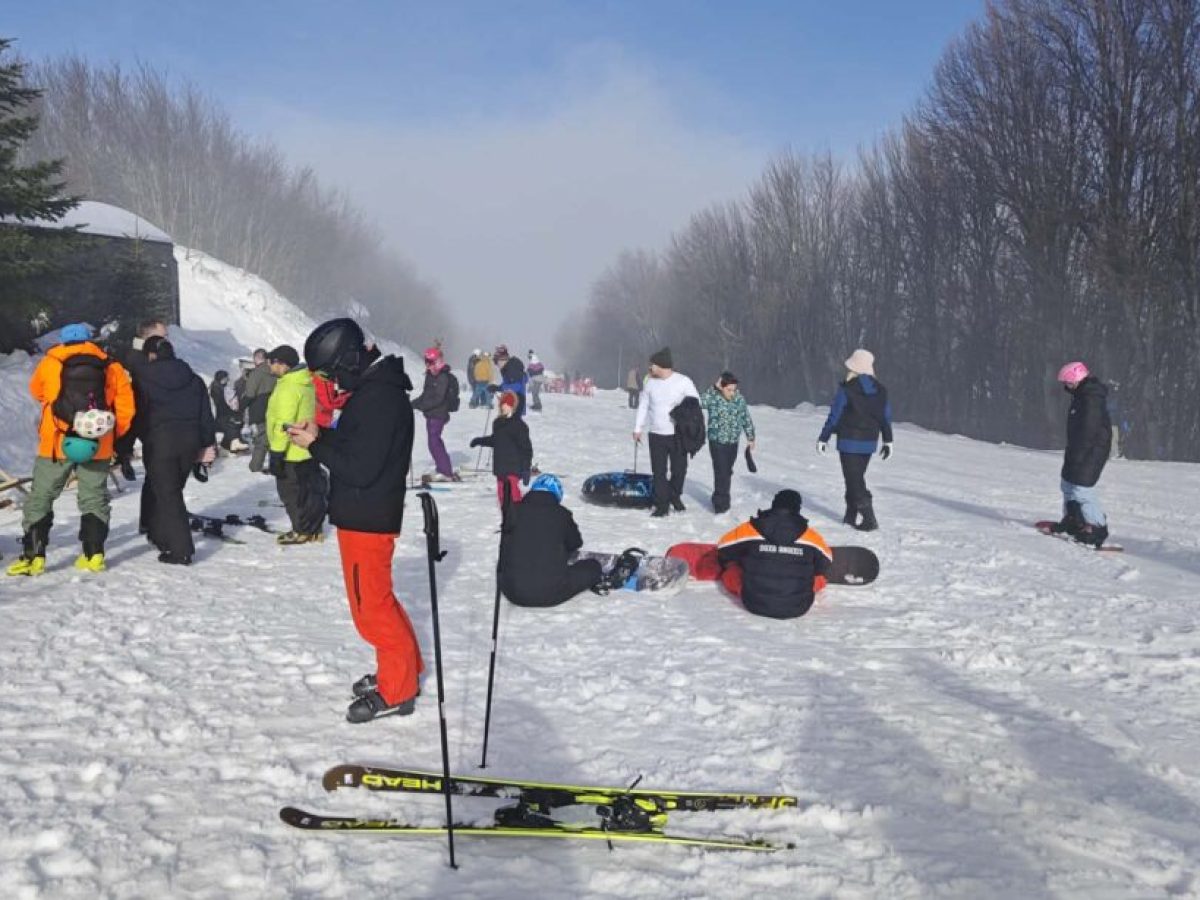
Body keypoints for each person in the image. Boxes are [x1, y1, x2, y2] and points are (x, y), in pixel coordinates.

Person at [286, 318, 422, 724]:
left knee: (372, 611)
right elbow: (356, 449)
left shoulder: (379, 398)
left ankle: (397, 691)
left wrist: (316, 444)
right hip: (365, 512)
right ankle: (402, 672)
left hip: (368, 516)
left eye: (330, 374)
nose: (330, 383)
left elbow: (359, 468)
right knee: (381, 603)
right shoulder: (372, 391)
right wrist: (322, 437)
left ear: (347, 362)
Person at [7, 324, 136, 576]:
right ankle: (94, 554)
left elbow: (37, 392)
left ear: (64, 341)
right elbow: (126, 408)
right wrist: (109, 435)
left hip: (55, 443)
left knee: (41, 496)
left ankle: (34, 557)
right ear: (91, 340)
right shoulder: (112, 366)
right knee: (93, 497)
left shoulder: (51, 362)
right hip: (97, 444)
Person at [132, 337, 217, 565]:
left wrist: (134, 441)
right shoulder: (194, 379)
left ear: (150, 355)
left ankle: (181, 550)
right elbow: (205, 415)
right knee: (169, 490)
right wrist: (207, 444)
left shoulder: (142, 379)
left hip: (160, 441)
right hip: (189, 441)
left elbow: (137, 414)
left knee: (169, 494)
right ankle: (160, 536)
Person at [711, 489, 832, 619]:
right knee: (819, 579)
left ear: (774, 504)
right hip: (798, 607)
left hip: (753, 603)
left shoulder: (752, 528)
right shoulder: (809, 535)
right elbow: (825, 564)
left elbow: (723, 548)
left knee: (731, 571)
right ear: (798, 508)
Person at [499, 474, 605, 606]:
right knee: (593, 567)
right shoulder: (561, 514)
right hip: (549, 592)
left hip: (511, 590)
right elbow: (575, 543)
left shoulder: (513, 511)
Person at [817, 349, 893, 531]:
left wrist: (824, 437)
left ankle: (869, 519)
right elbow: (885, 416)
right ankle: (850, 514)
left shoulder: (847, 389)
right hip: (869, 443)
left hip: (848, 442)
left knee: (854, 481)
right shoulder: (881, 390)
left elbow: (835, 415)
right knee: (855, 479)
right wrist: (888, 440)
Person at [266, 345, 327, 544]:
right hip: (307, 449)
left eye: (272, 362)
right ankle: (314, 528)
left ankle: (301, 530)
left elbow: (285, 424)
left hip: (290, 451)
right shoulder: (304, 382)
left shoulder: (288, 387)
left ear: (282, 364)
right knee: (310, 492)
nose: (270, 365)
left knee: (291, 494)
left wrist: (276, 453)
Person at [1047, 361, 1111, 547]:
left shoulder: (1091, 398)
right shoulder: (1082, 395)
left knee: (1082, 488)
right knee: (1067, 483)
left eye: (1068, 382)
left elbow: (1089, 430)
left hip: (1091, 451)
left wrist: (1081, 452)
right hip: (1078, 449)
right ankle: (1074, 520)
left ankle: (1097, 527)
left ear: (1076, 378)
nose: (1066, 386)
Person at [633, 347, 700, 517]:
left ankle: (674, 495)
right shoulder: (650, 383)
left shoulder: (683, 381)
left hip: (677, 435)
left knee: (679, 470)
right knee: (659, 472)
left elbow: (695, 402)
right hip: (656, 434)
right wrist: (637, 428)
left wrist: (681, 413)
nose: (650, 368)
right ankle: (662, 505)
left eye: (653, 365)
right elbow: (643, 406)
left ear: (662, 365)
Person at [112, 319, 169, 480]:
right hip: (134, 408)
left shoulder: (154, 353)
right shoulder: (132, 356)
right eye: (163, 335)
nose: (166, 339)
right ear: (148, 336)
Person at [699, 372, 756, 514]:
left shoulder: (739, 400)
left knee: (727, 471)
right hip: (717, 442)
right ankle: (721, 505)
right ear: (722, 387)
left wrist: (751, 437)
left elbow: (745, 418)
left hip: (733, 442)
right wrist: (714, 388)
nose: (732, 392)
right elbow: (700, 402)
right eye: (729, 389)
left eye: (734, 389)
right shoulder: (713, 398)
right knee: (721, 471)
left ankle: (718, 495)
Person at [470, 390, 532, 506]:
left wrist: (526, 468)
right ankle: (507, 519)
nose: (504, 407)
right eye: (503, 404)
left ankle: (519, 517)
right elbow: (496, 440)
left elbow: (526, 449)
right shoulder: (498, 423)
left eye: (508, 405)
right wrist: (479, 441)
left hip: (513, 467)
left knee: (513, 495)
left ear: (514, 406)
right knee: (502, 496)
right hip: (500, 467)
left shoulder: (519, 426)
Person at [410, 346, 459, 481]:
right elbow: (425, 395)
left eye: (430, 362)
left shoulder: (443, 377)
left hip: (439, 414)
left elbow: (438, 398)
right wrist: (412, 403)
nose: (428, 365)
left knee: (434, 442)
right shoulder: (430, 375)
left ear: (438, 361)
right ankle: (443, 468)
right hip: (431, 414)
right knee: (434, 442)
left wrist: (422, 406)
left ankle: (446, 471)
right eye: (426, 361)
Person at [242, 348, 277, 474]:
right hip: (274, 409)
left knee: (261, 441)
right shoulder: (275, 372)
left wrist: (240, 407)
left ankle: (255, 468)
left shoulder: (256, 373)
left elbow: (250, 394)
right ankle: (275, 465)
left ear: (257, 358)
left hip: (258, 410)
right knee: (273, 439)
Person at [209, 370, 248, 453]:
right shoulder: (217, 388)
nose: (228, 379)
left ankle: (232, 442)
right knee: (233, 422)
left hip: (224, 414)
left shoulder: (222, 387)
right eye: (226, 378)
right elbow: (221, 404)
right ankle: (232, 442)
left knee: (238, 419)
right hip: (221, 416)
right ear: (221, 378)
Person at [491, 345, 527, 417]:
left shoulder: (512, 368)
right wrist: (497, 387)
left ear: (502, 359)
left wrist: (500, 388)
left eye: (496, 362)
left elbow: (516, 386)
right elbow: (507, 383)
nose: (497, 365)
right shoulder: (507, 368)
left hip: (516, 405)